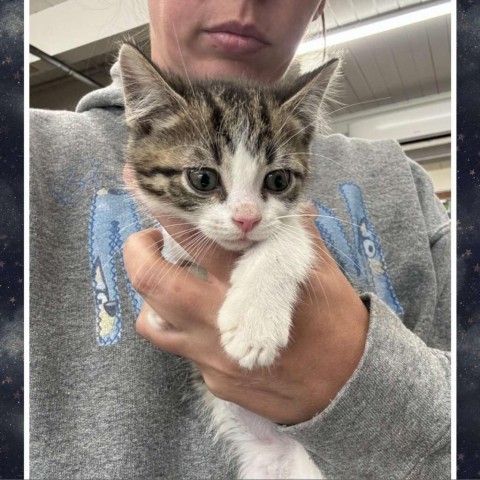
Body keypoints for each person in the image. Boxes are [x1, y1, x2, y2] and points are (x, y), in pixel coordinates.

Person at [30, 1, 451, 478]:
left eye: (275, 183)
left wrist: (347, 376)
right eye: (205, 180)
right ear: (143, 123)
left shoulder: (399, 180)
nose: (246, 218)